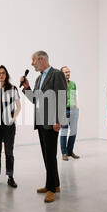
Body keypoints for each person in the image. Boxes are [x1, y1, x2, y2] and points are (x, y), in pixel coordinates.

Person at [20, 51, 67, 203]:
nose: (32, 64)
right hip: (41, 121)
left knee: (51, 156)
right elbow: (35, 99)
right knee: (47, 155)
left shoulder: (57, 74)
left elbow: (61, 97)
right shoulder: (39, 78)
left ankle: (51, 190)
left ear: (41, 59)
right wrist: (27, 87)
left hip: (52, 122)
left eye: (33, 61)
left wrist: (58, 120)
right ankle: (54, 184)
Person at [0, 65, 21, 188]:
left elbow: (19, 107)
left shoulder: (12, 89)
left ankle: (10, 177)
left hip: (9, 126)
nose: (1, 75)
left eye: (3, 73)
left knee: (9, 152)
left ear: (6, 75)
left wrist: (13, 118)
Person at [60, 66, 80, 161]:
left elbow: (74, 97)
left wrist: (76, 108)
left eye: (69, 72)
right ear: (61, 73)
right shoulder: (58, 84)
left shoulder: (73, 84)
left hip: (73, 110)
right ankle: (64, 153)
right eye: (65, 72)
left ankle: (70, 151)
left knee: (73, 132)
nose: (68, 73)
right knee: (64, 131)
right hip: (63, 110)